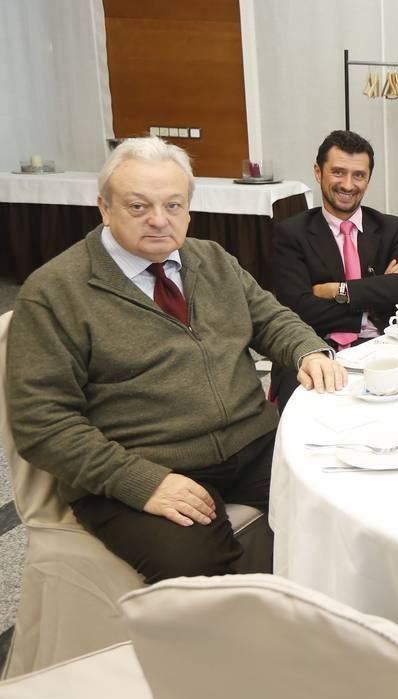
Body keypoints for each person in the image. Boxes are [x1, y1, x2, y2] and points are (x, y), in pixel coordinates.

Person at [4, 137, 345, 584]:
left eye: (173, 205)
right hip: (144, 460)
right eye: (138, 207)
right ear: (104, 208)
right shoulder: (54, 292)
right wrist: (141, 482)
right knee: (195, 565)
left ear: (188, 210)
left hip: (250, 442)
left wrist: (308, 349)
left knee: (343, 496)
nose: (159, 221)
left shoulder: (211, 259)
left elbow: (271, 319)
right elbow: (42, 422)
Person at [271, 130, 398, 406]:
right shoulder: (291, 234)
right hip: (315, 348)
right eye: (338, 172)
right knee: (305, 422)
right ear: (318, 172)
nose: (348, 185)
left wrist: (336, 290)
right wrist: (374, 296)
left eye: (359, 175)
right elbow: (299, 308)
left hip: (384, 347)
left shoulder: (391, 228)